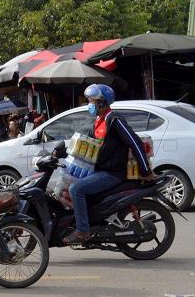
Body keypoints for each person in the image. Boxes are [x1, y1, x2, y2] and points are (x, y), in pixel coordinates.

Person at [63, 84, 155, 245]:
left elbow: (135, 142)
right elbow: (86, 146)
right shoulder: (98, 122)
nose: (88, 104)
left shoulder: (114, 119)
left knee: (76, 189)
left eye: (91, 101)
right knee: (70, 183)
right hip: (101, 170)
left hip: (113, 173)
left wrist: (145, 170)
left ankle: (83, 231)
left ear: (102, 102)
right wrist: (63, 152)